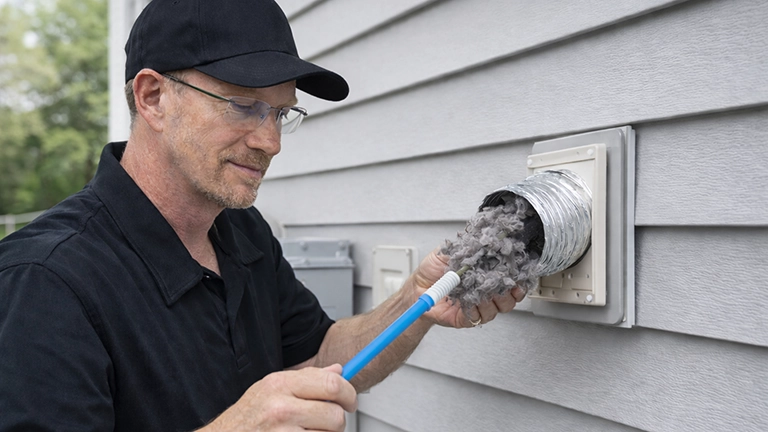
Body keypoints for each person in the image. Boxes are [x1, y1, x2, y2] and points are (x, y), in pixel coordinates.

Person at [0, 0, 525, 430]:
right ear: (153, 97)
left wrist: (417, 302)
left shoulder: (242, 233)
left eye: (280, 112)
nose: (270, 142)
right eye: (242, 104)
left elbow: (319, 358)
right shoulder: (43, 280)